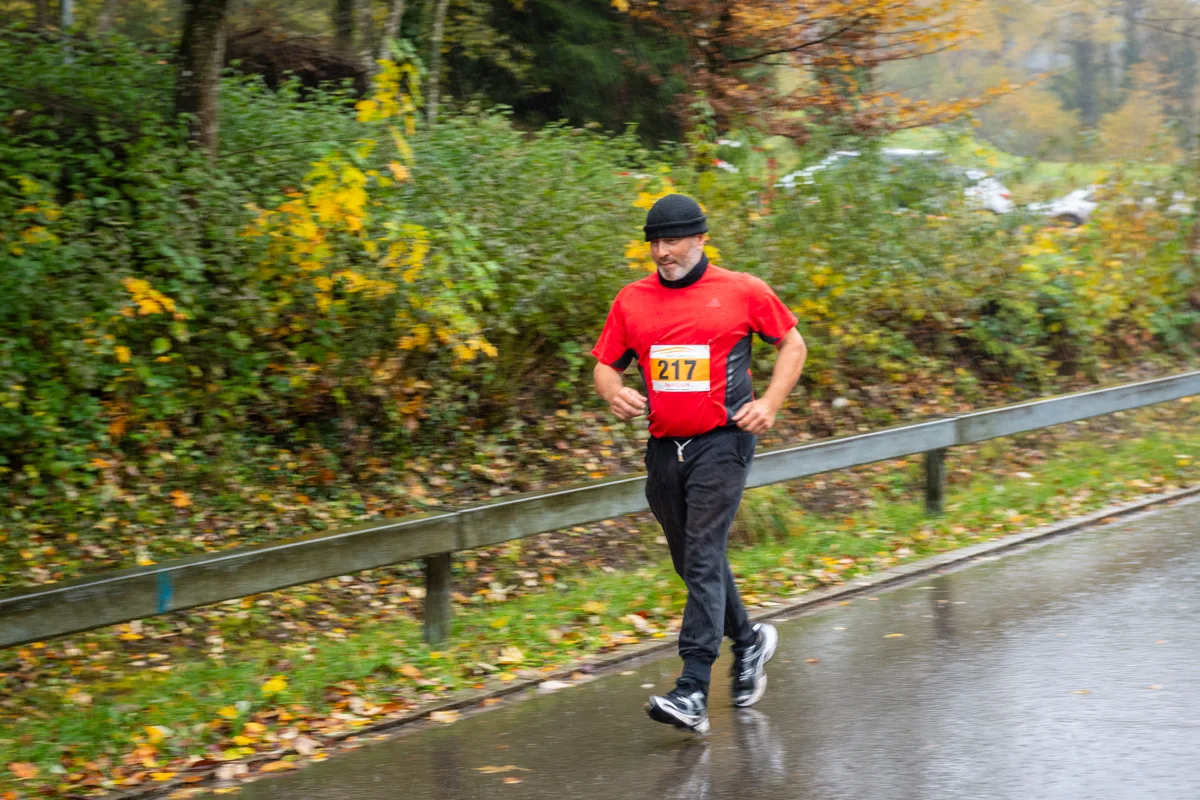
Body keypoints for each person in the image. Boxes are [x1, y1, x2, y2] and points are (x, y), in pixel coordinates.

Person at [592, 194, 807, 733]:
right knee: (691, 561)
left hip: (724, 441)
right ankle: (751, 641)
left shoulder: (742, 290)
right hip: (665, 446)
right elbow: (605, 365)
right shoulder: (631, 300)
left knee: (705, 554)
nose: (663, 252)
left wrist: (770, 404)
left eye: (673, 241)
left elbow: (793, 344)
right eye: (655, 243)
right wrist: (613, 391)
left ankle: (691, 688)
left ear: (700, 239)